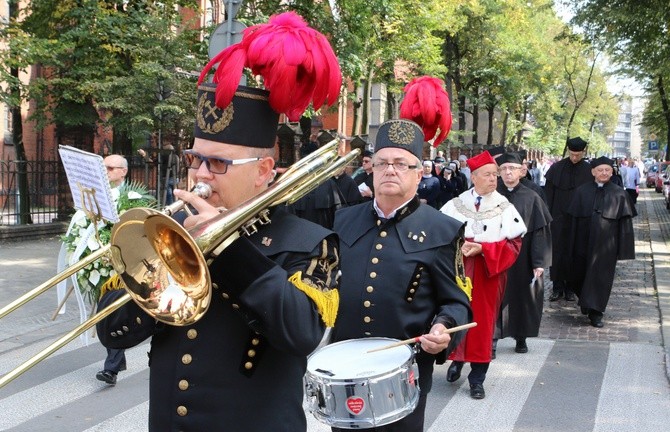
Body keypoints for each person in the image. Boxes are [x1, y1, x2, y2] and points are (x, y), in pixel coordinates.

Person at [96, 12, 342, 431]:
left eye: (219, 163)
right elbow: (113, 332)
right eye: (196, 159)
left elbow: (300, 333)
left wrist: (225, 246)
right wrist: (162, 263)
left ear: (264, 169)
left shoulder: (311, 242)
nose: (201, 174)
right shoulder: (172, 233)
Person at [332, 76, 472, 432]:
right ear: (372, 168)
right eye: (381, 162)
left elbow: (456, 303)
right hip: (343, 372)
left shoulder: (442, 229)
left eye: (400, 163)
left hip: (405, 373)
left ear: (419, 172)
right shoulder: (341, 221)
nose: (390, 169)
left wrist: (444, 329)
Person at [441, 150, 526, 400]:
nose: (493, 179)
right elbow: (439, 238)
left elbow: (514, 244)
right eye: (488, 175)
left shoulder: (504, 207)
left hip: (489, 274)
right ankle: (456, 360)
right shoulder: (456, 205)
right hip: (458, 271)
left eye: (495, 175)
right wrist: (459, 247)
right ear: (474, 177)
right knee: (454, 316)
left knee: (482, 324)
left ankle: (477, 378)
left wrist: (485, 249)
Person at [560, 156, 635, 327]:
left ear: (612, 172)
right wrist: (568, 244)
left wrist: (623, 250)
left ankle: (596, 312)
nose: (604, 173)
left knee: (601, 278)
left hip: (606, 247)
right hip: (581, 243)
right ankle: (586, 301)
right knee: (578, 274)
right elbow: (571, 221)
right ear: (593, 172)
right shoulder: (581, 191)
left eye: (607, 170)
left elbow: (625, 225)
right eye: (600, 170)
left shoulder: (619, 194)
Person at [494, 152, 552, 355]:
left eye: (512, 168)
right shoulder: (490, 195)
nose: (508, 172)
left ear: (521, 171)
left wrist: (538, 262)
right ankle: (492, 338)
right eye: (504, 169)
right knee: (494, 297)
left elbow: (539, 232)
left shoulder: (532, 197)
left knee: (523, 297)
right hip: (495, 254)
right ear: (498, 172)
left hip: (522, 256)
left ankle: (521, 336)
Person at [93, 154, 129, 386]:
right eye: (103, 167)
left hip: (122, 265)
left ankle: (112, 367)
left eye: (109, 168)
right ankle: (117, 359)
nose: (105, 171)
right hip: (101, 264)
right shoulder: (98, 196)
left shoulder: (133, 197)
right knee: (104, 311)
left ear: (123, 172)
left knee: (113, 312)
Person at [544, 137, 593, 302]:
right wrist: (548, 216)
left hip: (579, 219)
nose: (574, 158)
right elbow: (548, 195)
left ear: (583, 153)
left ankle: (571, 288)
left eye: (578, 155)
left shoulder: (589, 170)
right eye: (572, 154)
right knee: (557, 253)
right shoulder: (557, 168)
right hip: (558, 218)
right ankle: (557, 288)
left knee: (575, 252)